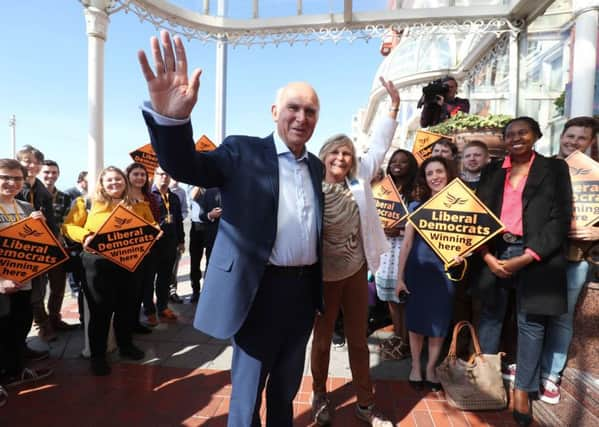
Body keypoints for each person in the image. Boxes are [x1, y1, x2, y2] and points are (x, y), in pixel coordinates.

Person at [138, 31, 324, 427]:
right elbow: (187, 167)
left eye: (310, 112)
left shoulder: (316, 166)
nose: (301, 118)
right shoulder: (241, 150)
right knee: (248, 390)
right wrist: (173, 120)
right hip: (258, 290)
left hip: (304, 292)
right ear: (275, 111)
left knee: (286, 388)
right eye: (294, 108)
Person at [471, 117, 571, 426]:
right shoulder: (491, 171)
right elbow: (477, 215)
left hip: (535, 257)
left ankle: (523, 391)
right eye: (510, 134)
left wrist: (526, 257)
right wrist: (487, 255)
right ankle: (485, 385)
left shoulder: (554, 169)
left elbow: (560, 218)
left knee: (531, 325)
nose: (515, 138)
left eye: (522, 133)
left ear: (536, 136)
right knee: (489, 317)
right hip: (495, 252)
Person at [310, 77, 397, 427]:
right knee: (321, 340)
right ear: (324, 155)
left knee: (359, 340)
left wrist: (393, 108)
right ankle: (319, 395)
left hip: (357, 270)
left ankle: (365, 402)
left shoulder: (359, 180)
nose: (342, 157)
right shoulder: (310, 184)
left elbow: (378, 146)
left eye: (346, 153)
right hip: (321, 276)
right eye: (335, 152)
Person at [62, 166, 154, 375]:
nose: (115, 183)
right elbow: (67, 227)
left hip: (130, 262)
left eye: (119, 180)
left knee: (128, 307)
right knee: (99, 311)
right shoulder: (85, 203)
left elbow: (151, 224)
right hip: (98, 263)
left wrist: (152, 234)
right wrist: (85, 236)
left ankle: (126, 345)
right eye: (110, 180)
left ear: (125, 182)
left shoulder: (139, 204)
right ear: (102, 184)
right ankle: (97, 356)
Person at [539, 116, 599, 404]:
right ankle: (529, 367)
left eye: (581, 138)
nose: (573, 142)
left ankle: (551, 374)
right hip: (539, 256)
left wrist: (596, 231)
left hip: (575, 258)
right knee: (532, 314)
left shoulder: (595, 176)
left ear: (591, 143)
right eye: (569, 135)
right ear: (561, 135)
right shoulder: (543, 166)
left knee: (562, 318)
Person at [395, 156, 459, 392]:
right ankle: (415, 366)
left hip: (444, 274)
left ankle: (431, 368)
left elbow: (468, 241)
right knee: (416, 321)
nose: (435, 177)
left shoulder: (460, 206)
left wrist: (463, 255)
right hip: (417, 272)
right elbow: (407, 244)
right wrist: (400, 277)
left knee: (439, 323)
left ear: (448, 173)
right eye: (430, 173)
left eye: (439, 171)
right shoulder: (415, 206)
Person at [0, 159, 53, 389]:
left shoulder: (28, 208)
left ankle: (16, 372)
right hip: (1, 285)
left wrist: (42, 228)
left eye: (17, 178)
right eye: (5, 177)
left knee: (19, 326)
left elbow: (40, 245)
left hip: (25, 281)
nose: (11, 183)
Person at [374, 149, 418, 360]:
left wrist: (398, 229)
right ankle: (398, 338)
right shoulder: (382, 189)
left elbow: (418, 223)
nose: (398, 164)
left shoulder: (416, 191)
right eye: (394, 161)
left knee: (404, 298)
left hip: (404, 249)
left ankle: (407, 342)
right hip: (385, 250)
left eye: (403, 162)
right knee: (390, 299)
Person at [15, 145, 57, 353]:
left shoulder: (42, 191)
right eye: (26, 161)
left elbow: (52, 223)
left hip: (39, 250)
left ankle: (26, 341)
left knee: (37, 293)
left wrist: (53, 248)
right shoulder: (13, 189)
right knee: (16, 303)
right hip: (16, 251)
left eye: (35, 162)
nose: (31, 165)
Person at [38, 160, 79, 334]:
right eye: (47, 172)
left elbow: (66, 222)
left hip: (57, 248)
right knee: (38, 291)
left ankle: (55, 318)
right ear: (40, 173)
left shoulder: (65, 197)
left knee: (58, 287)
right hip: (37, 249)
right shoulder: (32, 194)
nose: (50, 176)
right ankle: (42, 325)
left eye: (54, 172)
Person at [145, 166, 185, 322]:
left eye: (168, 174)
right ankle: (149, 310)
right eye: (161, 174)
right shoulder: (149, 196)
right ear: (154, 176)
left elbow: (179, 221)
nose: (164, 177)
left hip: (170, 244)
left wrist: (181, 241)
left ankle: (163, 307)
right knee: (149, 279)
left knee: (165, 278)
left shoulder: (174, 197)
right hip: (153, 245)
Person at [125, 162, 160, 332]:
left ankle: (136, 321)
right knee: (129, 289)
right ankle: (127, 324)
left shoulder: (150, 197)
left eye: (142, 175)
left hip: (149, 249)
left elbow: (154, 222)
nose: (139, 177)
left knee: (145, 285)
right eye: (135, 174)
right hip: (127, 251)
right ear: (128, 176)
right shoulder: (121, 197)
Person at [187, 185, 221, 303]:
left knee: (210, 260)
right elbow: (192, 197)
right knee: (195, 261)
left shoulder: (213, 187)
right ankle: (195, 291)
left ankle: (208, 291)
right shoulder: (191, 185)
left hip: (211, 227)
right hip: (197, 227)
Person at [168, 179, 188, 303]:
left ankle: (172, 291)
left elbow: (184, 210)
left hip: (174, 234)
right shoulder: (152, 190)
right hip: (159, 238)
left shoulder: (180, 193)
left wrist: (177, 219)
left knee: (174, 267)